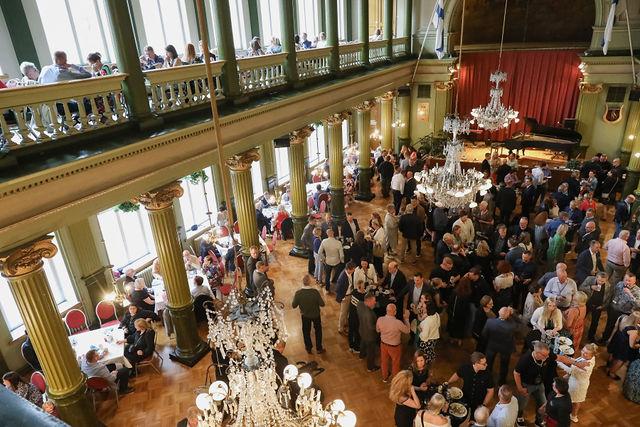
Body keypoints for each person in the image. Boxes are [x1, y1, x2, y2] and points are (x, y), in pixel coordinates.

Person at [513, 341, 551, 427]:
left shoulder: (545, 357)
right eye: (544, 355)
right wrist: (520, 388)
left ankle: (538, 420)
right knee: (522, 404)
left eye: (547, 355)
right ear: (537, 353)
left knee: (543, 403)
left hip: (539, 384)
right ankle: (519, 417)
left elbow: (558, 358)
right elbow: (516, 373)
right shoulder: (525, 359)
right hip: (527, 385)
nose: (547, 357)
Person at [557, 343, 597, 423]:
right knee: (575, 400)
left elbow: (571, 370)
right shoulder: (587, 358)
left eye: (586, 353)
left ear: (592, 355)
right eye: (583, 350)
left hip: (578, 385)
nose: (583, 353)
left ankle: (573, 416)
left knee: (575, 401)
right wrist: (567, 358)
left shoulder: (587, 365)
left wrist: (559, 362)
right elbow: (576, 362)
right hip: (575, 380)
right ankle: (572, 414)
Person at [601, 272, 640, 344]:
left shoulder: (637, 291)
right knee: (609, 325)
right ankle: (603, 340)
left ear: (634, 281)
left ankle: (612, 344)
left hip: (624, 313)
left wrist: (630, 294)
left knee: (619, 329)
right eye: (626, 280)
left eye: (629, 281)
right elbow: (613, 294)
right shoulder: (619, 284)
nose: (627, 282)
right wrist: (608, 305)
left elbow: (638, 305)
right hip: (613, 309)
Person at [292, 275, 326, 354]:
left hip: (305, 315)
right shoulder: (315, 292)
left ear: (303, 282)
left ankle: (308, 348)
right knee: (318, 330)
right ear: (310, 283)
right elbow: (322, 304)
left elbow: (294, 305)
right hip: (316, 315)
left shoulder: (298, 293)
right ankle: (319, 348)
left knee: (306, 331)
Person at [482, 307, 517, 386]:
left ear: (498, 312)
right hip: (505, 348)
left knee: (488, 363)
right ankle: (501, 382)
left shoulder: (490, 322)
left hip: (492, 345)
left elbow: (484, 334)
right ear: (508, 315)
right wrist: (513, 314)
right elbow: (521, 323)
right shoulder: (511, 326)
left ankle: (487, 380)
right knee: (504, 365)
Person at [377, 304, 410, 382]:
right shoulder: (398, 323)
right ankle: (395, 380)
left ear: (386, 311)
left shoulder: (380, 319)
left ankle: (384, 377)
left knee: (384, 361)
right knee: (395, 363)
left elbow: (378, 330)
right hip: (394, 347)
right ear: (395, 312)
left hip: (383, 344)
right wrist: (406, 319)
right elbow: (407, 330)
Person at [606, 307, 640, 380]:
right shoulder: (634, 330)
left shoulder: (623, 317)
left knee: (615, 356)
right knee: (621, 361)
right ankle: (612, 373)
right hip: (625, 347)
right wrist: (638, 345)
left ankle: (609, 367)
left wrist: (610, 339)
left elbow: (615, 328)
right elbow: (632, 345)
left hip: (619, 341)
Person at [579, 271, 611, 342]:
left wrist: (603, 306)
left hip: (598, 306)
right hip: (587, 303)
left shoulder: (608, 286)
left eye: (603, 281)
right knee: (581, 318)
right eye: (599, 280)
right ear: (596, 277)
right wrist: (590, 287)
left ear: (606, 280)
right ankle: (579, 333)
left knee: (595, 322)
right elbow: (580, 288)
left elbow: (608, 297)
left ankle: (591, 337)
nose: (600, 282)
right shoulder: (589, 279)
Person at [358, 292, 379, 372]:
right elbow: (371, 327)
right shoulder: (369, 314)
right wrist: (379, 327)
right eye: (374, 301)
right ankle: (370, 367)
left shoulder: (360, 304)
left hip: (362, 330)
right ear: (368, 301)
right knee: (371, 352)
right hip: (370, 336)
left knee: (363, 343)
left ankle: (361, 355)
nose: (375, 302)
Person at [318, 228, 344, 294]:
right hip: (337, 261)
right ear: (333, 233)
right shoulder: (338, 242)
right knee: (338, 275)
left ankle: (327, 289)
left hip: (328, 261)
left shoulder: (324, 241)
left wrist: (323, 258)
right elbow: (341, 255)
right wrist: (342, 261)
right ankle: (337, 288)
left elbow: (319, 252)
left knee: (327, 276)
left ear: (327, 234)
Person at [336, 261, 356, 334]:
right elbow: (337, 289)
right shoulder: (342, 278)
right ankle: (340, 328)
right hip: (345, 297)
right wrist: (343, 297)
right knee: (343, 313)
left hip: (350, 295)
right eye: (353, 269)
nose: (354, 271)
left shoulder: (350, 273)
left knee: (347, 311)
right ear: (349, 269)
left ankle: (345, 323)